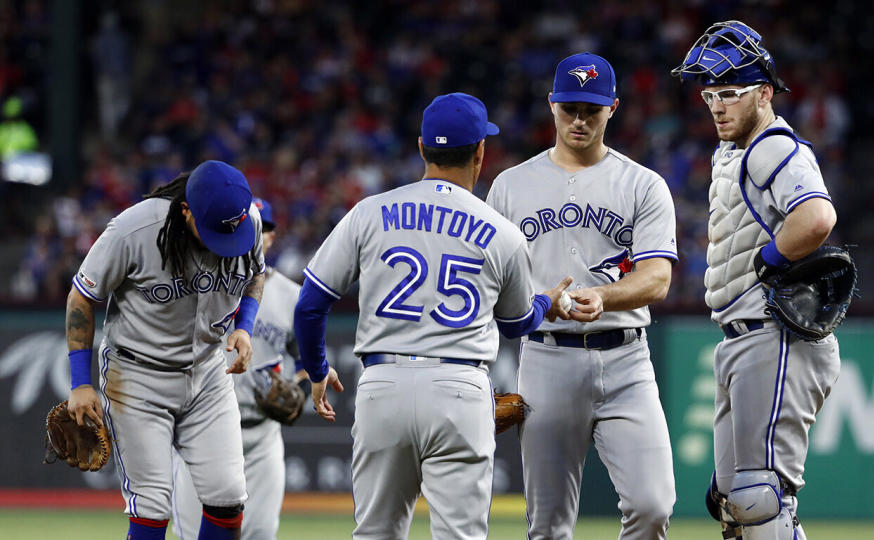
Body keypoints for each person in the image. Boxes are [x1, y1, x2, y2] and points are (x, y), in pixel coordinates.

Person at [293, 92, 573, 539]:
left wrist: (317, 368)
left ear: (422, 147)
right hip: (459, 389)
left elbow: (310, 304)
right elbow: (517, 323)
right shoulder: (501, 232)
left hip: (383, 387)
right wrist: (545, 302)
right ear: (481, 152)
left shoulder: (370, 212)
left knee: (375, 533)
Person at [486, 52, 678, 539]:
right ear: (551, 104)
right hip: (546, 358)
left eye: (590, 109)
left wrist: (606, 297)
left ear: (612, 107)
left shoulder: (643, 185)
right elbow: (489, 281)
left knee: (653, 505)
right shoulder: (510, 187)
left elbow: (657, 278)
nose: (578, 119)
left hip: (627, 358)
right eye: (569, 107)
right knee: (548, 526)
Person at [671, 20, 842, 539]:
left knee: (758, 495)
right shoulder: (735, 151)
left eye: (730, 93)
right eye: (710, 95)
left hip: (774, 333)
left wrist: (770, 255)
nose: (717, 105)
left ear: (764, 93)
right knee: (733, 501)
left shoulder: (773, 146)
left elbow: (816, 217)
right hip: (743, 337)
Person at [66, 160, 265, 539]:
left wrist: (245, 327)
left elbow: (256, 273)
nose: (223, 242)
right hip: (137, 376)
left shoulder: (247, 223)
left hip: (208, 372)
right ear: (185, 209)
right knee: (152, 505)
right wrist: (80, 382)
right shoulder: (134, 229)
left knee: (228, 496)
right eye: (211, 232)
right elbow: (81, 297)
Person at [172, 197, 303, 540]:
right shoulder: (199, 283)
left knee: (259, 533)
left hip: (260, 435)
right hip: (199, 429)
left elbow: (308, 363)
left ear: (271, 236)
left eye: (267, 228)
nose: (259, 235)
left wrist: (299, 390)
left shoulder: (292, 297)